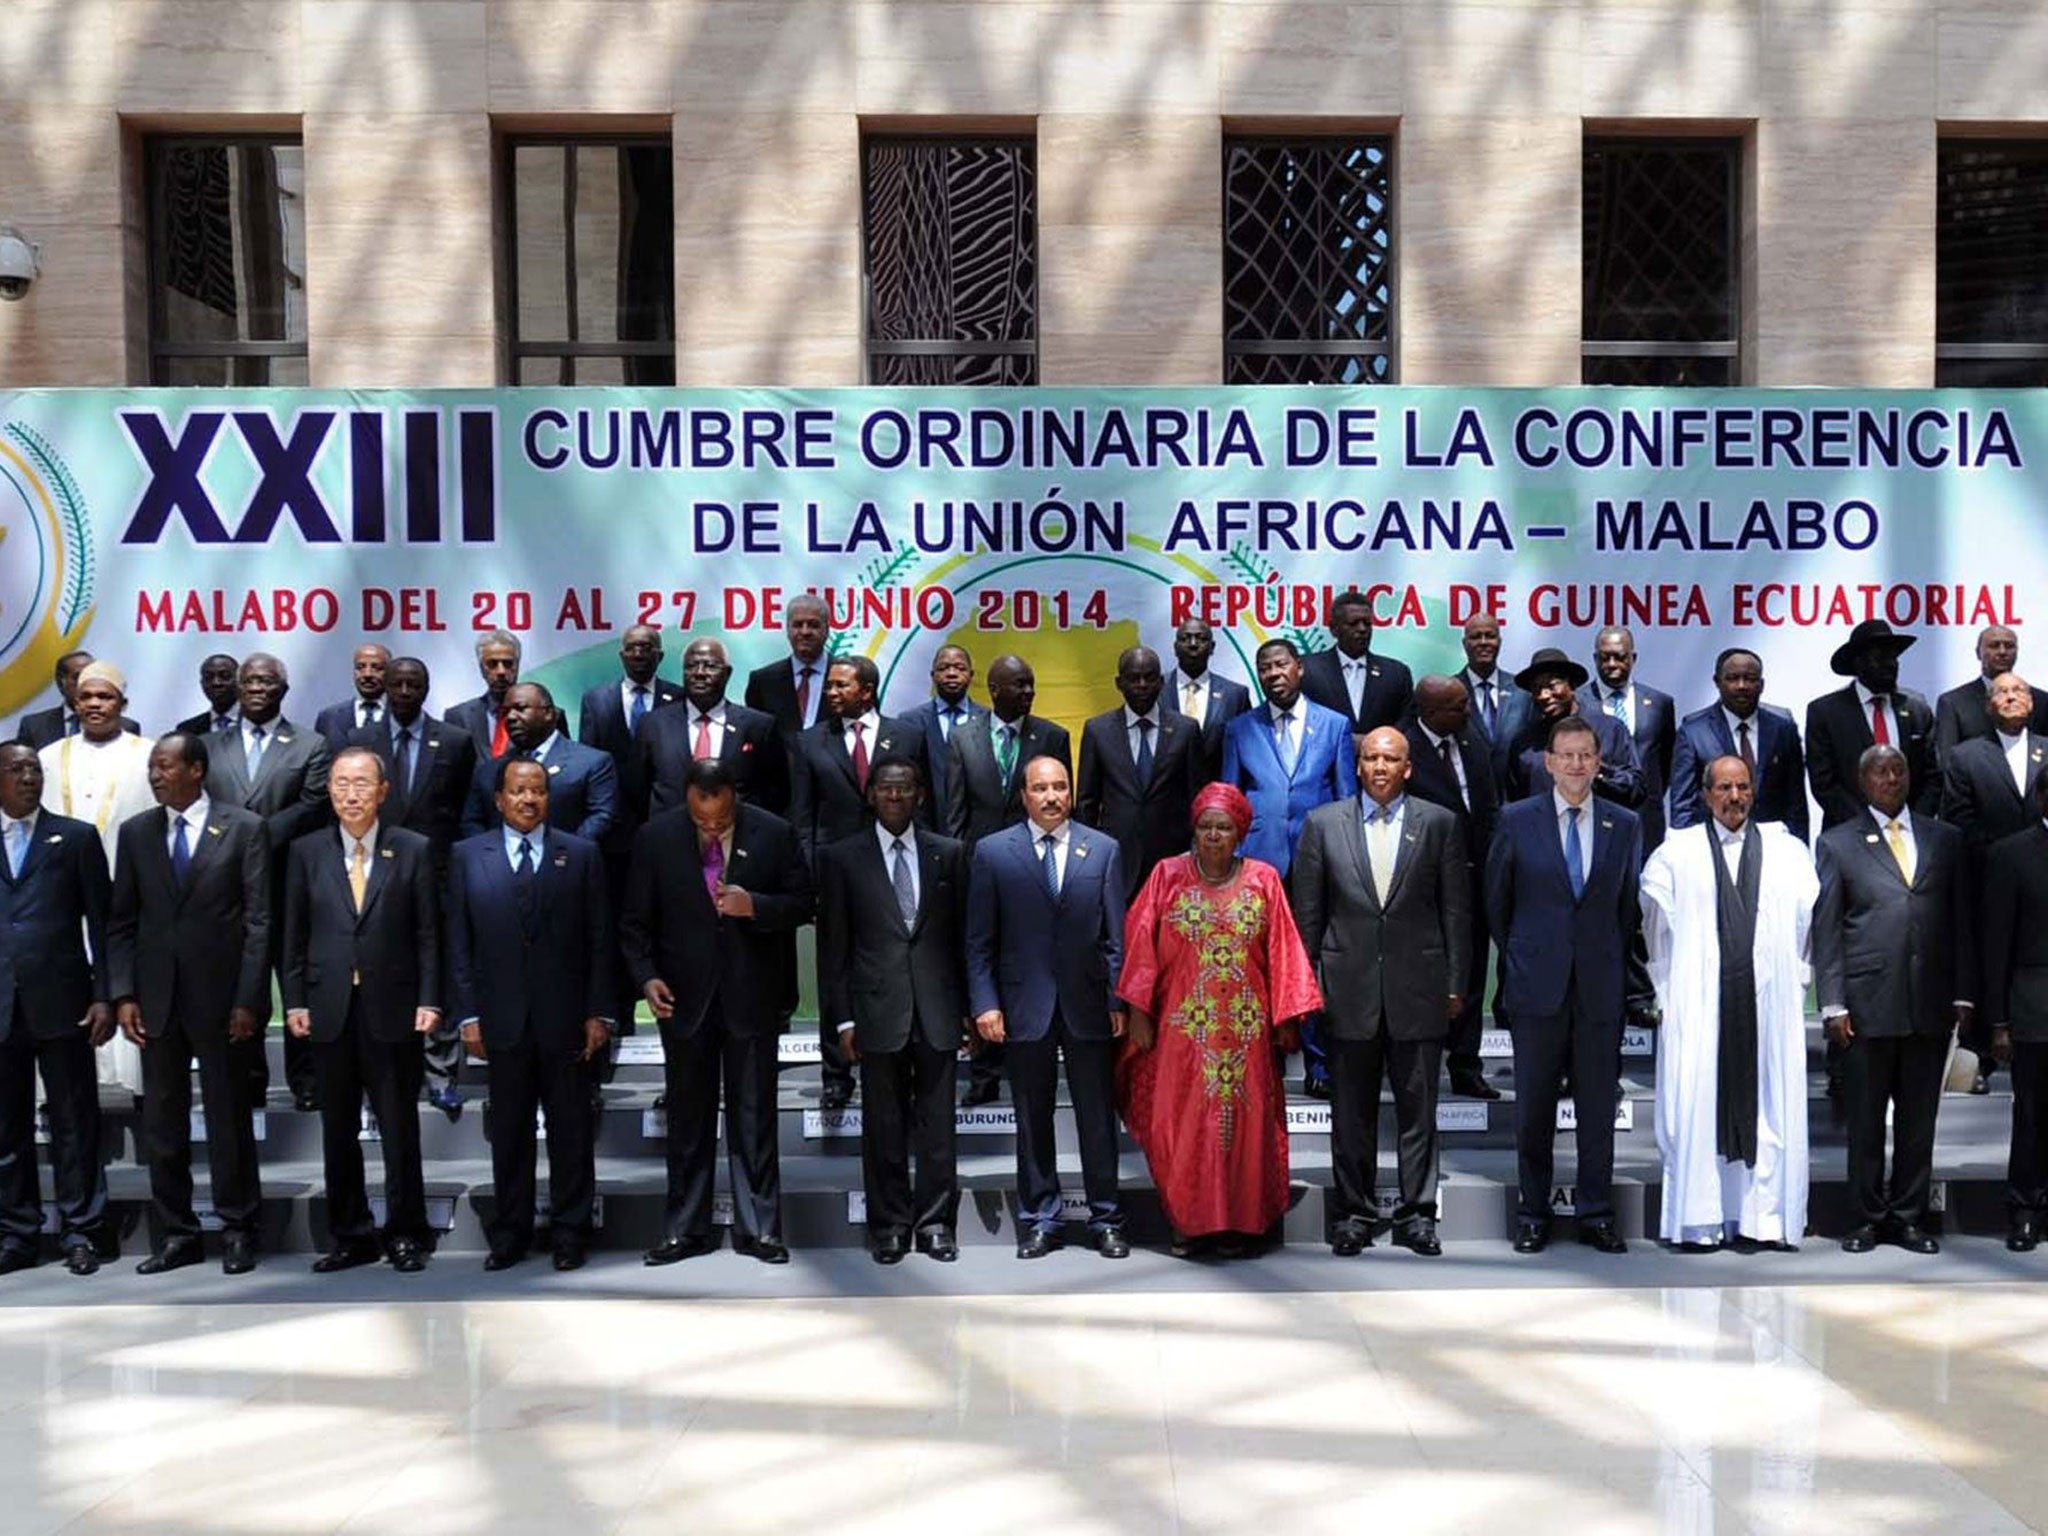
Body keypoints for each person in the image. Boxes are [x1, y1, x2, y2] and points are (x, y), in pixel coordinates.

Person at [625, 757, 814, 1267]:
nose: (711, 829)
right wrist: (647, 977)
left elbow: (803, 902)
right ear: (687, 800)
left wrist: (757, 906)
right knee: (687, 1121)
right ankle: (685, 1229)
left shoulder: (775, 833)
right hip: (683, 1001)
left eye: (721, 821)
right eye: (701, 821)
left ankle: (761, 1230)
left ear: (736, 798)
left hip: (752, 997)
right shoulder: (655, 838)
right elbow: (634, 923)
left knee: (755, 1118)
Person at [1118, 784, 1319, 1257]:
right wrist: (1138, 1012)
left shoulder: (1264, 879)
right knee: (1183, 1128)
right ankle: (1189, 1224)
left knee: (1246, 1131)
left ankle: (1244, 1226)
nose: (1212, 836)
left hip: (1247, 1033)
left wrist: (1286, 1018)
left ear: (1240, 834)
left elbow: (1285, 950)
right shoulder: (1166, 876)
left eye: (1223, 828)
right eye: (1205, 826)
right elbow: (1140, 943)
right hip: (1182, 1032)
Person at [1295, 731, 1468, 1258]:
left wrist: (1457, 983)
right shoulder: (1323, 824)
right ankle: (1353, 1214)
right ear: (1358, 764)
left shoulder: (1438, 824)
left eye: (1390, 759)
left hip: (1420, 990)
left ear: (1408, 768)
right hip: (1347, 992)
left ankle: (1419, 1215)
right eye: (1370, 758)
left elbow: (1457, 912)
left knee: (1419, 1113)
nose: (1379, 767)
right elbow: (1308, 915)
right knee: (1351, 1115)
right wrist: (1308, 983)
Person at [107, 734, 271, 1276]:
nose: (155, 775)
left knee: (228, 1120)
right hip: (156, 1002)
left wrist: (249, 998)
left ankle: (239, 1228)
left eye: (165, 766)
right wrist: (124, 993)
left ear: (196, 770)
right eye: (152, 767)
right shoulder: (137, 833)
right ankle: (177, 1233)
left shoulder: (243, 827)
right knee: (162, 1124)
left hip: (223, 1002)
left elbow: (257, 923)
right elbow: (122, 922)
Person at [1640, 756, 1818, 1252]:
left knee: (1770, 1111)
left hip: (1769, 1005)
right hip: (1701, 1007)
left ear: (1754, 790)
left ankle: (1766, 1219)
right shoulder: (1678, 854)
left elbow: (1807, 932)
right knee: (1699, 1103)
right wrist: (1668, 992)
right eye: (1723, 788)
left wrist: (1792, 982)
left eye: (1742, 787)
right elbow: (1657, 933)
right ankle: (1702, 1219)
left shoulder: (1787, 852)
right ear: (1705, 794)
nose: (1734, 797)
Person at [1485, 716, 1644, 1255]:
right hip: (1537, 988)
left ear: (1599, 763)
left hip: (1599, 988)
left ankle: (1596, 1213)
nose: (1576, 765)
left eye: (1586, 756)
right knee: (1533, 1110)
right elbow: (1497, 905)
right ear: (1548, 762)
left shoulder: (1623, 824)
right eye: (1566, 755)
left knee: (1598, 1110)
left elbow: (1627, 911)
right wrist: (1529, 955)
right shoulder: (1515, 819)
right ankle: (1533, 1213)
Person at [445, 758, 611, 1272]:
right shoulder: (468, 856)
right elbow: (458, 943)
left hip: (566, 1022)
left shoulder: (580, 854)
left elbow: (599, 941)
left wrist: (598, 1013)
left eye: (538, 791)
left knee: (571, 1132)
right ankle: (511, 1233)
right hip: (501, 1020)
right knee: (511, 1133)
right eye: (517, 791)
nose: (528, 800)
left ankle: (569, 1232)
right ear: (499, 799)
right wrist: (467, 1014)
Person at [282, 748, 441, 1274]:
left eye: (360, 784)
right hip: (329, 1008)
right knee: (338, 1130)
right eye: (340, 784)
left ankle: (406, 1233)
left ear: (382, 791)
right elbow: (294, 935)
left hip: (392, 1007)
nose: (350, 794)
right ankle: (351, 1235)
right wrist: (296, 1001)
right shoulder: (306, 852)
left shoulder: (412, 849)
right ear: (328, 791)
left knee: (399, 1128)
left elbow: (426, 933)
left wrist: (429, 998)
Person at [966, 756, 1129, 1259]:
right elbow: (978, 942)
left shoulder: (1102, 849)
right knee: (1032, 1116)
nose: (1053, 796)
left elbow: (1115, 939)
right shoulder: (993, 853)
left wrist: (1117, 998)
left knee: (1096, 1117)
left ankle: (1107, 1218)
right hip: (1022, 1007)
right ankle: (1041, 1218)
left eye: (1061, 787)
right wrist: (985, 1004)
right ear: (1024, 795)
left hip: (1089, 1007)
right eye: (1042, 788)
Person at [1814, 744, 1973, 1254]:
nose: (1891, 778)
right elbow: (1829, 930)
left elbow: (1961, 923)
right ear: (1864, 782)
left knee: (1916, 1124)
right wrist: (1832, 1003)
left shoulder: (1944, 838)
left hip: (1929, 1002)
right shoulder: (1839, 844)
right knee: (1864, 1122)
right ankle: (1863, 1220)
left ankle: (1908, 1218)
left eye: (1898, 769)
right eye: (1880, 771)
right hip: (1865, 1004)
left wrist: (1966, 993)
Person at [816, 756, 968, 1264]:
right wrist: (843, 1019)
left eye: (905, 790)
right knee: (882, 1127)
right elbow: (833, 949)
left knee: (937, 1127)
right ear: (871, 795)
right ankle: (889, 1226)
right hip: (876, 1011)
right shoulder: (841, 858)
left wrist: (968, 1010)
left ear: (921, 795)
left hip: (938, 1009)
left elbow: (964, 940)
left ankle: (936, 1225)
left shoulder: (949, 854)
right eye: (886, 789)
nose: (896, 798)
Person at [1222, 638, 1358, 1098]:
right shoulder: (1240, 728)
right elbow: (1229, 800)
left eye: (1281, 664)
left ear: (1300, 669)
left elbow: (1345, 799)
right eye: (1265, 668)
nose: (1273, 673)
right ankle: (1265, 1060)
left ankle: (1320, 1062)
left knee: (1312, 963)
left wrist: (1345, 861)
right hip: (1257, 866)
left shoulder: (1334, 725)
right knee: (1257, 966)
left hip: (1317, 863)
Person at [788, 654, 925, 1108]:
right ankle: (836, 1074)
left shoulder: (906, 735)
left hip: (898, 869)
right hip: (836, 876)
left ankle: (901, 1060)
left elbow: (925, 806)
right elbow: (803, 819)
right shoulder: (810, 743)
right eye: (829, 686)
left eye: (840, 685)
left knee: (897, 966)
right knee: (836, 970)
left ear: (866, 690)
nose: (830, 692)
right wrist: (810, 881)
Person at [0, 744, 113, 1276]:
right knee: (6, 1129)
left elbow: (105, 923)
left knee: (74, 1121)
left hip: (64, 1000)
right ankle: (17, 1235)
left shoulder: (75, 837)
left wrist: (105, 994)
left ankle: (82, 1231)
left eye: (35, 770)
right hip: (2, 1004)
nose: (29, 778)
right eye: (16, 770)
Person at [204, 652, 332, 1111]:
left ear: (283, 690)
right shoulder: (208, 745)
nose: (257, 689)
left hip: (285, 881)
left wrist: (254, 836)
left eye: (267, 682)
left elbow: (314, 805)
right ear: (237, 688)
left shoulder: (309, 744)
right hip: (224, 886)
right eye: (250, 681)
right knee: (240, 984)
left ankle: (306, 1080)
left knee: (294, 979)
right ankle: (248, 1077)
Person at [347, 657, 472, 1120]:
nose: (402, 690)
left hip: (437, 876)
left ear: (425, 688)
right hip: (373, 877)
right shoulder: (361, 743)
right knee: (381, 974)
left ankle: (442, 1078)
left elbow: (463, 811)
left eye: (412, 683)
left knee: (435, 973)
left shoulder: (455, 741)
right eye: (396, 682)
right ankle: (381, 1080)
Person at [943, 654, 1070, 1107]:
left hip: (1034, 875)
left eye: (1031, 685)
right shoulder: (962, 738)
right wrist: (957, 873)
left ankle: (1024, 1068)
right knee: (981, 968)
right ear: (995, 689)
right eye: (1020, 685)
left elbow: (1061, 812)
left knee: (1026, 971)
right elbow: (954, 813)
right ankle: (984, 1072)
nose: (1029, 693)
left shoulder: (1051, 736)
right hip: (980, 872)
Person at [36, 661, 153, 1096]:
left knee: (124, 982)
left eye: (104, 697)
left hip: (127, 889)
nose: (95, 705)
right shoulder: (49, 757)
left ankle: (135, 1088)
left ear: (122, 702)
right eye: (86, 697)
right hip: (61, 897)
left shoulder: (148, 754)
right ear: (73, 701)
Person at [578, 626, 685, 1092]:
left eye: (648, 649)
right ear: (621, 655)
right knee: (617, 924)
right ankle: (618, 1013)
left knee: (664, 926)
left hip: (662, 832)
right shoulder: (596, 699)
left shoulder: (679, 697)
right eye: (632, 648)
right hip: (612, 838)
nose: (640, 655)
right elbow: (587, 759)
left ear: (660, 656)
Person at [1940, 671, 2047, 1093]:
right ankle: (1982, 1057)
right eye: (2000, 692)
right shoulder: (1966, 756)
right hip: (1988, 879)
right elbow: (1960, 821)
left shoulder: (2046, 751)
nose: (2010, 697)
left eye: (2018, 690)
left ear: (2032, 702)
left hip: (2042, 886)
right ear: (1988, 707)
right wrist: (2011, 856)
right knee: (1991, 961)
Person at [1402, 675, 1500, 1100]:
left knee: (1472, 971)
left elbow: (1488, 805)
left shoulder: (1472, 741)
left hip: (1476, 876)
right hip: (1425, 882)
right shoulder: (1404, 748)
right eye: (1458, 707)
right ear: (1430, 712)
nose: (1468, 713)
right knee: (1425, 974)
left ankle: (1466, 1064)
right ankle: (1417, 1067)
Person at [1981, 774, 2048, 1251]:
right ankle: (2026, 1211)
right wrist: (1999, 1021)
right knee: (2032, 1116)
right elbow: (1996, 944)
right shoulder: (2011, 853)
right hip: (2033, 1008)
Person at [1077, 645, 1201, 898]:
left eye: (1150, 677)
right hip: (1115, 860)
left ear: (1162, 682)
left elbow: (1197, 798)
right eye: (1134, 678)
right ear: (1119, 683)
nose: (1142, 685)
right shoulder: (1097, 730)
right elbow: (1087, 802)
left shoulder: (1185, 729)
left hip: (1173, 860)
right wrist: (1087, 857)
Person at [1806, 619, 1940, 829]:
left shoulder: (1916, 709)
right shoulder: (1825, 712)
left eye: (1894, 657)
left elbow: (1932, 777)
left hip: (1910, 833)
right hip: (1849, 837)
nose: (1890, 664)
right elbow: (1825, 784)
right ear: (1858, 664)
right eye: (1880, 657)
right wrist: (1870, 825)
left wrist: (1909, 823)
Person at [636, 638, 788, 818]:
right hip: (669, 837)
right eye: (691, 666)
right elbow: (638, 790)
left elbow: (777, 791)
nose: (700, 673)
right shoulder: (653, 724)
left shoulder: (757, 726)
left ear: (728, 673)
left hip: (738, 834)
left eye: (710, 666)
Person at [1670, 648, 1810, 844]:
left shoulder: (1782, 729)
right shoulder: (1693, 731)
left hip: (1772, 846)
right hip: (1714, 846)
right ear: (1717, 682)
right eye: (1732, 678)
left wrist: (1798, 850)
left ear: (1761, 684)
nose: (1742, 686)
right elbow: (1683, 806)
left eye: (1750, 678)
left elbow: (1796, 803)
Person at [461, 682, 617, 842]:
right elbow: (472, 821)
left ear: (549, 713)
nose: (511, 717)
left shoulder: (592, 763)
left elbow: (601, 816)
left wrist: (566, 854)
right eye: (505, 712)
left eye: (520, 708)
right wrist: (491, 855)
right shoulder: (489, 770)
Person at [1496, 648, 1643, 807]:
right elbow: (1513, 803)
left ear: (1572, 685)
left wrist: (1598, 774)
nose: (1544, 695)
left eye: (1552, 686)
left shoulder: (1610, 730)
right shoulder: (1524, 744)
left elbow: (1635, 789)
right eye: (1537, 689)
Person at [1577, 628, 1675, 849]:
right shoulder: (1577, 702)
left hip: (1645, 820)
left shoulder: (1660, 704)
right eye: (1605, 657)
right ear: (1595, 658)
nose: (1612, 663)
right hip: (1591, 817)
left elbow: (1665, 764)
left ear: (1633, 658)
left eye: (1620, 657)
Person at [1300, 590, 1414, 737]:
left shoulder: (1396, 673)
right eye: (1353, 623)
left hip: (1380, 756)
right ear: (1334, 629)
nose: (1362, 629)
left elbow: (1407, 719)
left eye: (1367, 624)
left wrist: (1375, 742)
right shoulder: (1307, 669)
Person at [1935, 624, 2048, 766]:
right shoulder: (1953, 703)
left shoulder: (2041, 701)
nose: (2002, 651)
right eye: (1994, 646)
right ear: (1978, 652)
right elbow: (1947, 761)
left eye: (2009, 646)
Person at [899, 644, 987, 808]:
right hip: (927, 820)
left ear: (971, 675)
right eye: (943, 668)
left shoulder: (988, 720)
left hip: (975, 821)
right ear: (933, 675)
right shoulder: (910, 722)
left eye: (960, 668)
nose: (952, 674)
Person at [1169, 617, 1252, 784]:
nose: (1193, 644)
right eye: (1185, 638)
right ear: (1175, 648)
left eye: (1201, 638)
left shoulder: (1235, 695)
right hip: (1166, 802)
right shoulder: (1156, 691)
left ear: (1212, 647)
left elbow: (1246, 752)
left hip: (1217, 801)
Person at [744, 592, 832, 741]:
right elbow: (753, 737)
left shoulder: (852, 677)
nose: (805, 632)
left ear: (827, 630)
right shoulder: (763, 681)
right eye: (798, 625)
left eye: (813, 625)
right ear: (788, 630)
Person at [15, 650, 136, 748]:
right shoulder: (34, 726)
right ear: (61, 682)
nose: (86, 681)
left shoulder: (127, 726)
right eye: (79, 677)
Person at [444, 629, 522, 759]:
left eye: (508, 664)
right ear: (481, 668)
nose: (501, 671)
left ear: (517, 665)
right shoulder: (458, 716)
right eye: (492, 664)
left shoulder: (544, 715)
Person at [312, 643, 393, 750]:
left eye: (377, 668)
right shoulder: (328, 717)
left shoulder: (399, 715)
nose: (367, 674)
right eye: (360, 667)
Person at [1457, 614, 1520, 746]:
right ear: (1464, 643)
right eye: (1475, 637)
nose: (1483, 642)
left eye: (1490, 636)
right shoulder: (1451, 691)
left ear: (1499, 641)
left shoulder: (1521, 690)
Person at [173, 653, 241, 737]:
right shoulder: (186, 730)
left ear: (240, 681)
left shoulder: (257, 722)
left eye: (225, 676)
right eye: (208, 677)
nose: (216, 683)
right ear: (201, 683)